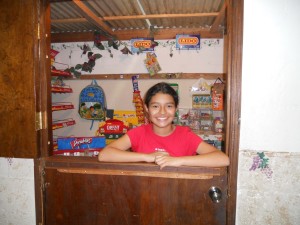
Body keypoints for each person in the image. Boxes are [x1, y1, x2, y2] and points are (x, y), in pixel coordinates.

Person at [98, 82, 229, 169]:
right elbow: (104, 155)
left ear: (176, 109)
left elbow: (223, 159)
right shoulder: (138, 133)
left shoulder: (185, 135)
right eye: (155, 106)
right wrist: (147, 157)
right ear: (147, 109)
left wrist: (178, 161)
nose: (162, 112)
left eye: (169, 106)